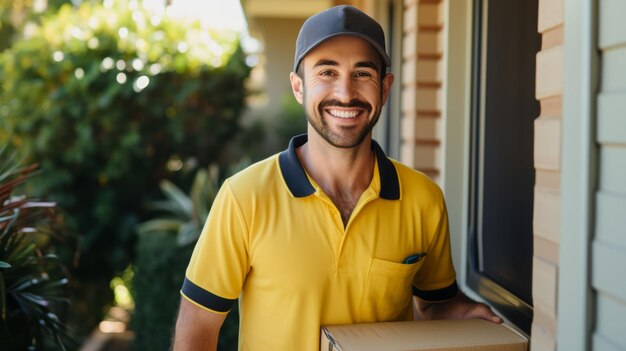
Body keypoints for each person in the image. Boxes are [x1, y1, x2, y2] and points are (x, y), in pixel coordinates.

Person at [172, 5, 502, 351]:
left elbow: (434, 303)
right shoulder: (244, 197)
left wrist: (460, 312)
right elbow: (198, 326)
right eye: (327, 72)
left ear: (385, 88)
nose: (345, 93)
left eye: (362, 74)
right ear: (299, 87)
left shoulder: (423, 199)